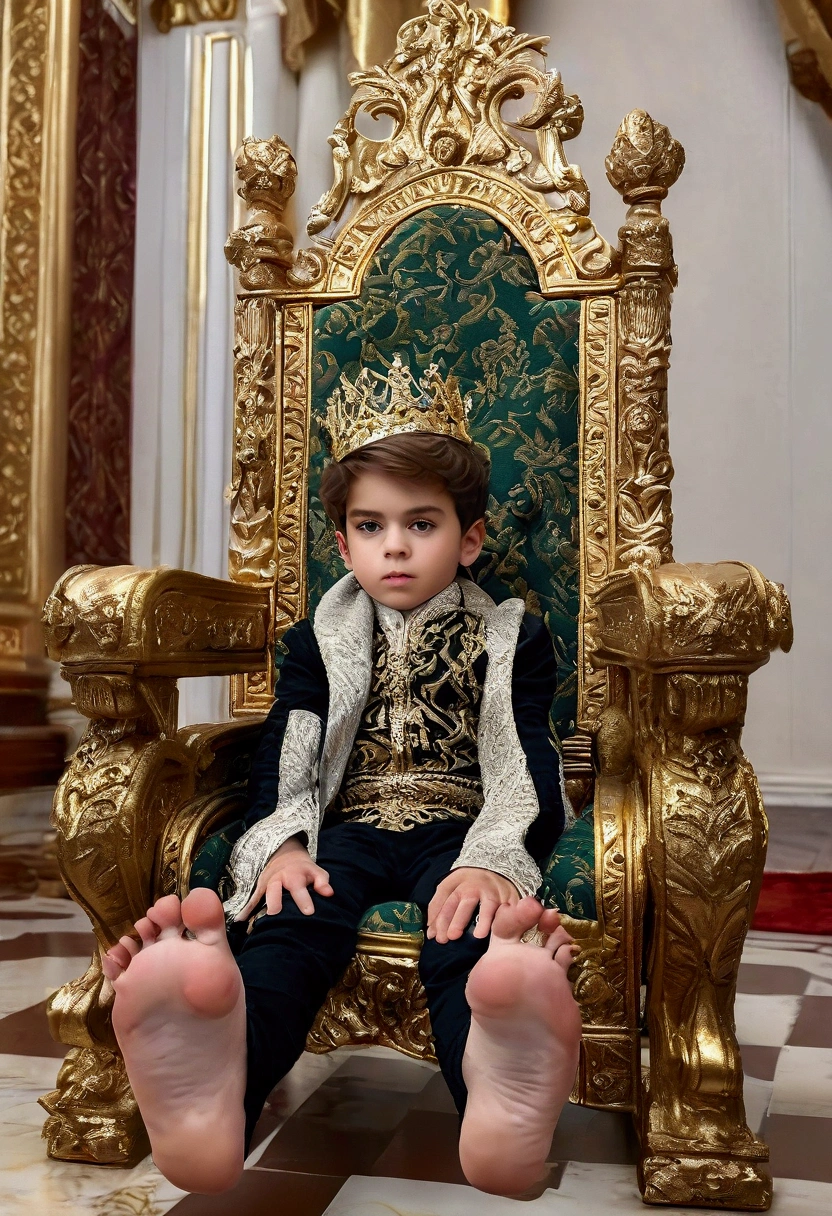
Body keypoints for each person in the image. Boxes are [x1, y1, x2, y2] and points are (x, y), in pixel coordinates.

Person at [101, 360, 583, 1198]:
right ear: (343, 542)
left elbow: (525, 757)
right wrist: (284, 848)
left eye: (422, 524)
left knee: (471, 941)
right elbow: (290, 749)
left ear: (469, 538)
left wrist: (492, 858)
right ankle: (220, 1091)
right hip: (344, 831)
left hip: (458, 831)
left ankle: (496, 1097)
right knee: (290, 929)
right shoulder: (316, 641)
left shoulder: (510, 635)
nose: (394, 546)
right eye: (371, 526)